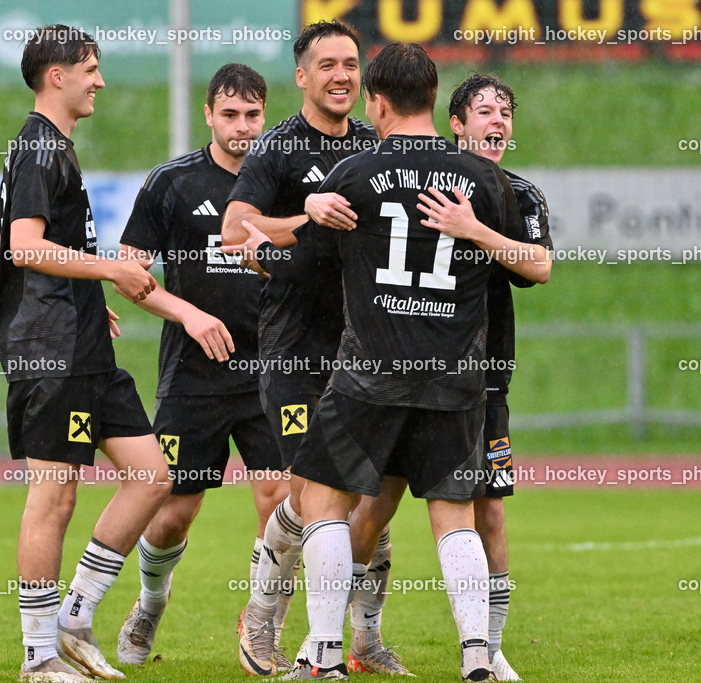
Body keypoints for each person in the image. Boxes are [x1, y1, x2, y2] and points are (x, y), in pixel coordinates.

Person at [232, 42, 542, 681]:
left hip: (370, 376)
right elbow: (526, 264)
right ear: (436, 100)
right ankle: (477, 660)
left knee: (324, 503)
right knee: (454, 518)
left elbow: (303, 265)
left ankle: (322, 656)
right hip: (458, 379)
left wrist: (260, 252)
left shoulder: (353, 173)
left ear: (376, 102)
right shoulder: (486, 181)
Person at [0, 24, 171, 683]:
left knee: (151, 473)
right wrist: (106, 272)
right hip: (52, 351)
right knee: (55, 491)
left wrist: (88, 293)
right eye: (89, 68)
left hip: (82, 340)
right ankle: (37, 657)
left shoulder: (44, 147)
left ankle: (73, 616)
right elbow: (25, 248)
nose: (100, 79)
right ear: (54, 76)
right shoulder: (39, 149)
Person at [220, 20, 407, 677]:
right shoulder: (276, 149)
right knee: (307, 490)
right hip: (294, 346)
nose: (342, 76)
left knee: (372, 497)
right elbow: (233, 231)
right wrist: (307, 213)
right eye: (327, 64)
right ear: (302, 76)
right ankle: (262, 618)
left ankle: (363, 639)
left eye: (351, 64)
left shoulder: (375, 143)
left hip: (365, 344)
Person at [112, 63, 290, 666]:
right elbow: (129, 273)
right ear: (209, 115)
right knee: (171, 514)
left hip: (273, 369)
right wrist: (188, 314)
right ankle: (149, 605)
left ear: (265, 116)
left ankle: (259, 621)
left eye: (253, 115)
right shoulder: (173, 183)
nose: (242, 126)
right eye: (230, 114)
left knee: (280, 494)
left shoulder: (285, 182)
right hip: (196, 373)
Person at [415, 73, 553, 681]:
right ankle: (345, 640)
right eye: (484, 110)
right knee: (369, 507)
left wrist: (474, 229)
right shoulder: (420, 182)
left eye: (505, 112)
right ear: (456, 124)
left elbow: (540, 267)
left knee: (488, 510)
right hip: (401, 371)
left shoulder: (521, 195)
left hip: (484, 380)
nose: (497, 121)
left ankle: (489, 649)